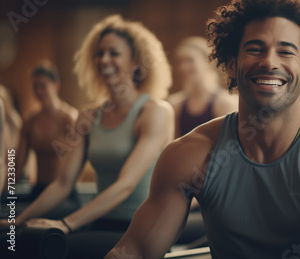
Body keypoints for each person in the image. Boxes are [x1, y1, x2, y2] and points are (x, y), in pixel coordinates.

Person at [106, 0, 300, 259]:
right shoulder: (189, 155)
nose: (269, 62)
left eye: (285, 51)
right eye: (255, 48)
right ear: (231, 65)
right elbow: (136, 250)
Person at [0, 15, 174, 258]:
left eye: (113, 53)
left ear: (136, 62)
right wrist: (18, 220)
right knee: (18, 243)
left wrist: (67, 224)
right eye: (99, 53)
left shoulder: (155, 112)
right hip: (101, 223)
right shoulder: (89, 115)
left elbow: (125, 185)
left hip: (142, 229)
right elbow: (63, 183)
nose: (104, 59)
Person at [11, 61, 81, 217]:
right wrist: (4, 191)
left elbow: (79, 160)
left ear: (56, 85)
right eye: (35, 86)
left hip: (64, 193)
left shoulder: (69, 118)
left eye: (43, 85)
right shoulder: (29, 121)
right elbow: (18, 166)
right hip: (38, 190)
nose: (38, 90)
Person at [168, 36, 237, 138]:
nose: (183, 67)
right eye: (179, 62)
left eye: (189, 60)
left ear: (207, 61)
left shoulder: (226, 102)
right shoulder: (174, 104)